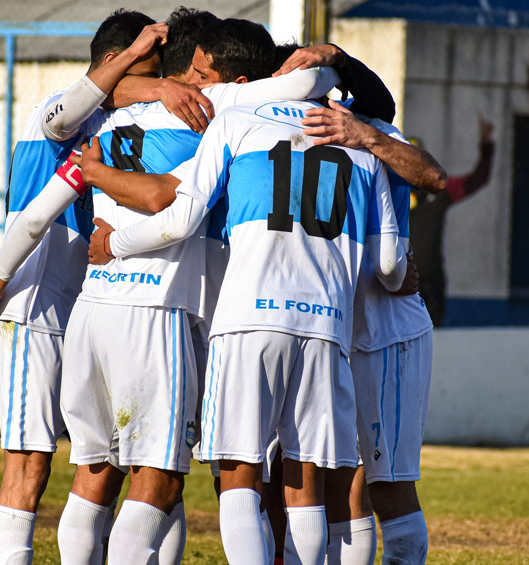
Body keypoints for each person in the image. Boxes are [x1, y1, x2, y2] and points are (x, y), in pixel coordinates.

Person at [88, 92, 406, 564]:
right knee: (304, 483)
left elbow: (180, 220)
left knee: (240, 477)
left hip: (248, 321)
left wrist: (115, 242)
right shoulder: (362, 146)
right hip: (326, 326)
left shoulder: (237, 120)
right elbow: (390, 267)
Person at [0, 11, 171, 565]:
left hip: (83, 312)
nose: (149, 88)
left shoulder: (113, 132)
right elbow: (34, 218)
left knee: (110, 458)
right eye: (143, 72)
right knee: (30, 462)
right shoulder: (53, 115)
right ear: (112, 62)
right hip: (27, 307)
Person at [300, 100, 447, 564]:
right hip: (333, 330)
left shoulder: (379, 141)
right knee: (339, 480)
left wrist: (368, 136)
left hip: (388, 335)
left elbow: (437, 179)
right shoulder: (295, 137)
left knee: (387, 485)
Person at [409, 117, 494, 326]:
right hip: (396, 283)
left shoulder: (439, 189)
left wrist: (486, 145)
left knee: (434, 341)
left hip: (431, 282)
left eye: (415, 161)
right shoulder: (386, 191)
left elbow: (477, 179)